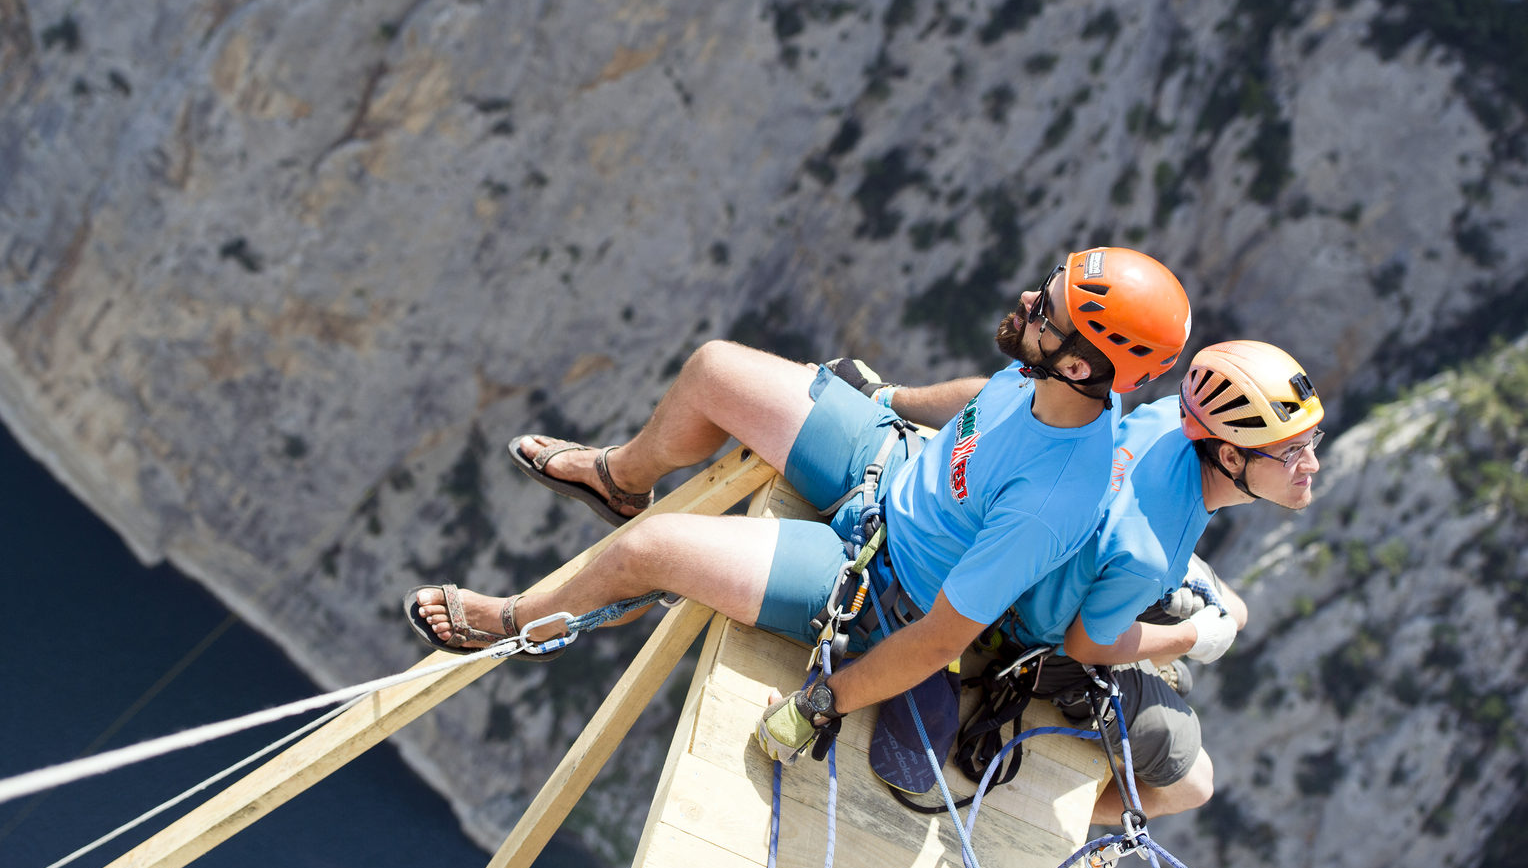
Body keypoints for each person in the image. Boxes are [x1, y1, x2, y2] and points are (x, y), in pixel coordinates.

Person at [406, 247, 1192, 760]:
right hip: (891, 469)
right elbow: (982, 398)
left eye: (1044, 309)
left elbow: (943, 635)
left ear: (1085, 365)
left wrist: (825, 699)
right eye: (1045, 286)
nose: (1026, 299)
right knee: (714, 369)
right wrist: (891, 397)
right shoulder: (1052, 381)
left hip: (880, 586)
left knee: (647, 553)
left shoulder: (1054, 498)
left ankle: (513, 623)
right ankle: (622, 477)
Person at [878, 340, 1324, 822]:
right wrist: (1191, 637)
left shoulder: (1168, 418)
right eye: (1293, 451)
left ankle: (1161, 666)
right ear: (1231, 460)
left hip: (1090, 557)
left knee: (1234, 613)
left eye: (1311, 440)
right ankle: (1052, 813)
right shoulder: (1152, 557)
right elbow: (1087, 644)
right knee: (1194, 786)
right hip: (1042, 643)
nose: (1312, 464)